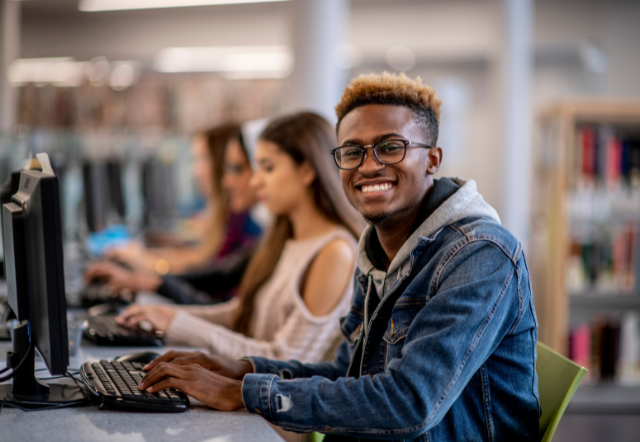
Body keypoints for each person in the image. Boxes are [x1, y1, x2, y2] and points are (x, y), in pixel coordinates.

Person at [137, 73, 540, 441]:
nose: (369, 165)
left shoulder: (480, 255)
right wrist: (241, 369)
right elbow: (347, 374)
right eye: (353, 151)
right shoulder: (378, 253)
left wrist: (244, 393)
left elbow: (409, 403)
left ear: (432, 159)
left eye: (390, 147)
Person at [115, 112, 364, 364]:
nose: (255, 181)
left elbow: (286, 361)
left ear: (307, 170)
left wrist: (176, 323)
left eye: (268, 167)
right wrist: (167, 316)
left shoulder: (335, 251)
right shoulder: (286, 240)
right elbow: (242, 314)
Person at [85, 123, 263, 303]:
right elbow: (209, 272)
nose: (195, 170)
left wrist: (149, 267)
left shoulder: (246, 226)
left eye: (202, 159)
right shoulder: (238, 221)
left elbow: (206, 274)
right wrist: (147, 273)